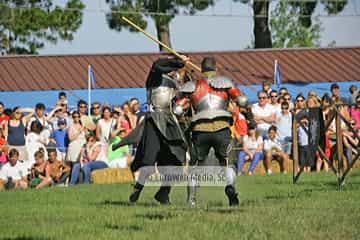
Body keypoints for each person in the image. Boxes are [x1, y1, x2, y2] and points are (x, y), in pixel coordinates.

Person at [113, 55, 190, 204]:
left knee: (175, 161)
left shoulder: (176, 83)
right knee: (149, 160)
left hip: (170, 123)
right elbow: (157, 65)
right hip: (154, 121)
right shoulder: (155, 77)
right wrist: (179, 62)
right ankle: (138, 189)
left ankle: (163, 193)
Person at [177, 56, 245, 206]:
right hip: (222, 128)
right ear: (216, 68)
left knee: (195, 165)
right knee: (227, 163)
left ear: (201, 69)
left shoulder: (193, 86)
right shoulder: (226, 83)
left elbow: (179, 107)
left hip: (200, 130)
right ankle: (230, 189)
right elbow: (242, 100)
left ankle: (191, 200)